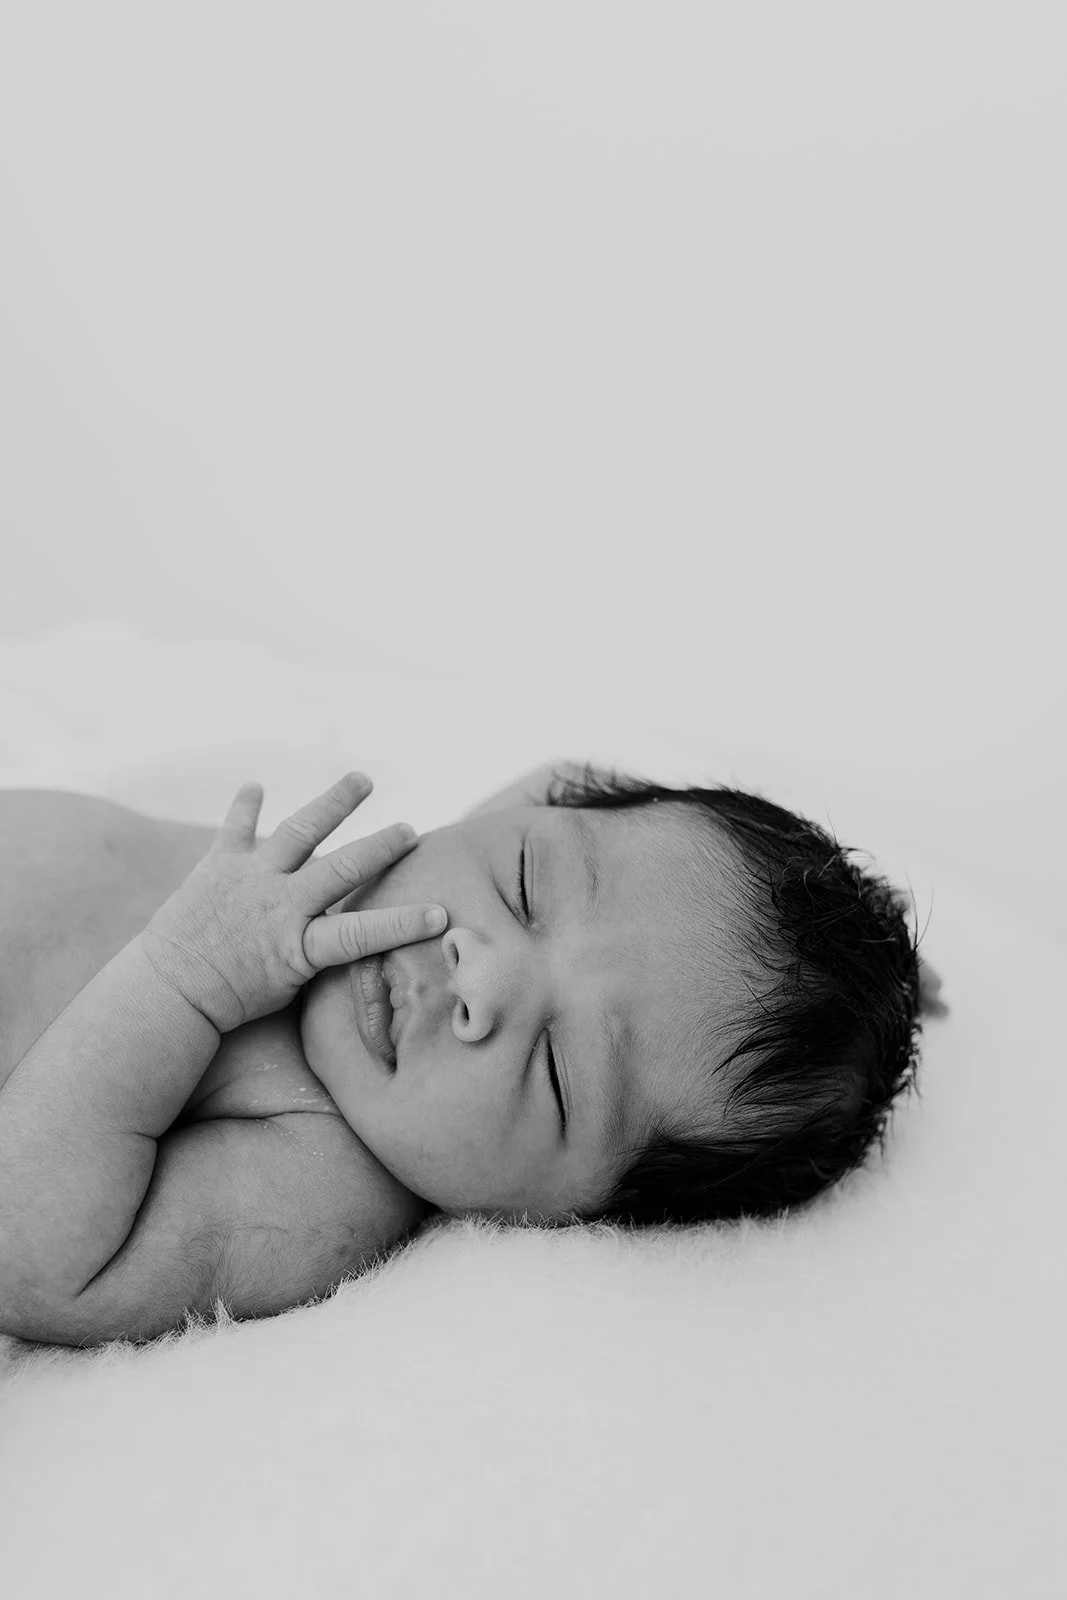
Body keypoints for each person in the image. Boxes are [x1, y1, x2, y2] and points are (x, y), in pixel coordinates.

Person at [0, 761, 941, 1346]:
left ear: (568, 1217)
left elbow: (40, 1262)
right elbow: (570, 783)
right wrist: (845, 943)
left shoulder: (325, 1179)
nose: (482, 975)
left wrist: (186, 980)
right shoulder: (394, 883)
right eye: (527, 884)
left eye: (558, 1073)